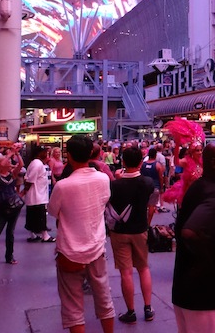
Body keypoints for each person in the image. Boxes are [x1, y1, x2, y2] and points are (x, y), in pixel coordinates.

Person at [48, 135, 115, 333]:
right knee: (104, 299)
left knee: (73, 306)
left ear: (68, 155)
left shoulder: (63, 186)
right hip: (96, 248)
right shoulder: (103, 179)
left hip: (69, 252)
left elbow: (53, 211)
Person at [172, 141, 215, 332]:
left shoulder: (201, 187)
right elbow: (190, 232)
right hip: (209, 300)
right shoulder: (214, 197)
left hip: (189, 293)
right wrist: (214, 264)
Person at [108, 146, 156, 324]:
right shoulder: (147, 183)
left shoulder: (114, 184)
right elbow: (152, 206)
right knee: (143, 269)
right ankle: (148, 308)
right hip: (140, 229)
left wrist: (117, 179)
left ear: (123, 162)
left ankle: (131, 312)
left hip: (119, 232)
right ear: (140, 162)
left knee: (125, 273)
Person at [23, 145, 54, 243]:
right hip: (37, 195)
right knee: (40, 216)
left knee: (32, 216)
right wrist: (24, 191)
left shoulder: (35, 163)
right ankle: (45, 235)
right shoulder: (37, 164)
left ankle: (32, 235)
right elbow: (30, 180)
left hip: (36, 195)